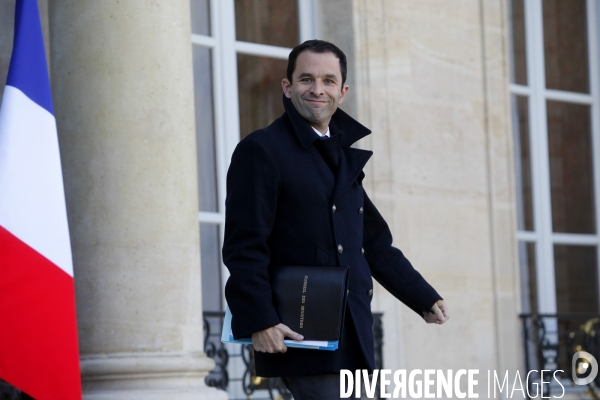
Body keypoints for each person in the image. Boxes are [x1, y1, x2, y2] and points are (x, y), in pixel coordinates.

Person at [222, 39, 449, 399]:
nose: (317, 89)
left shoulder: (341, 155)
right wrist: (260, 319)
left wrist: (420, 295)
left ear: (342, 92)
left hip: (354, 330)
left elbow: (372, 241)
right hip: (301, 334)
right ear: (287, 87)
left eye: (328, 81)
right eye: (306, 79)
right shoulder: (261, 150)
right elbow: (244, 245)